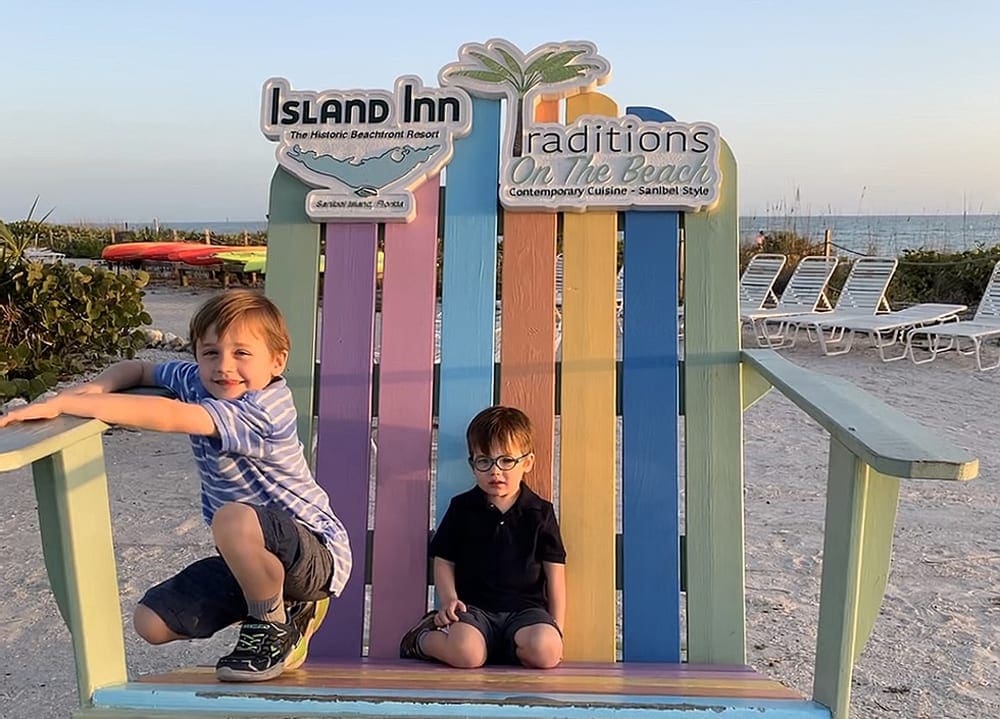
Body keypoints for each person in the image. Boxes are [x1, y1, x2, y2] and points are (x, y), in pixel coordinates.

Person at [0, 289, 352, 682]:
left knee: (232, 518)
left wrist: (65, 405)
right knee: (150, 623)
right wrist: (95, 389)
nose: (224, 367)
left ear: (277, 361)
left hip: (312, 555)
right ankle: (276, 606)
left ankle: (275, 622)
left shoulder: (264, 410)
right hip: (248, 555)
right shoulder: (199, 380)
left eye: (242, 354)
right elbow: (138, 369)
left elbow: (167, 415)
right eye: (211, 352)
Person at [399, 406, 566, 669]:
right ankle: (421, 639)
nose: (495, 471)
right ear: (472, 464)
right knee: (467, 655)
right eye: (484, 461)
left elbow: (555, 575)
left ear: (528, 463)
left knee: (546, 652)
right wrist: (450, 599)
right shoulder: (463, 509)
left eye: (507, 460)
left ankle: (505, 648)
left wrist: (557, 629)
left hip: (527, 613)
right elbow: (444, 560)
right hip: (474, 610)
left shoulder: (540, 513)